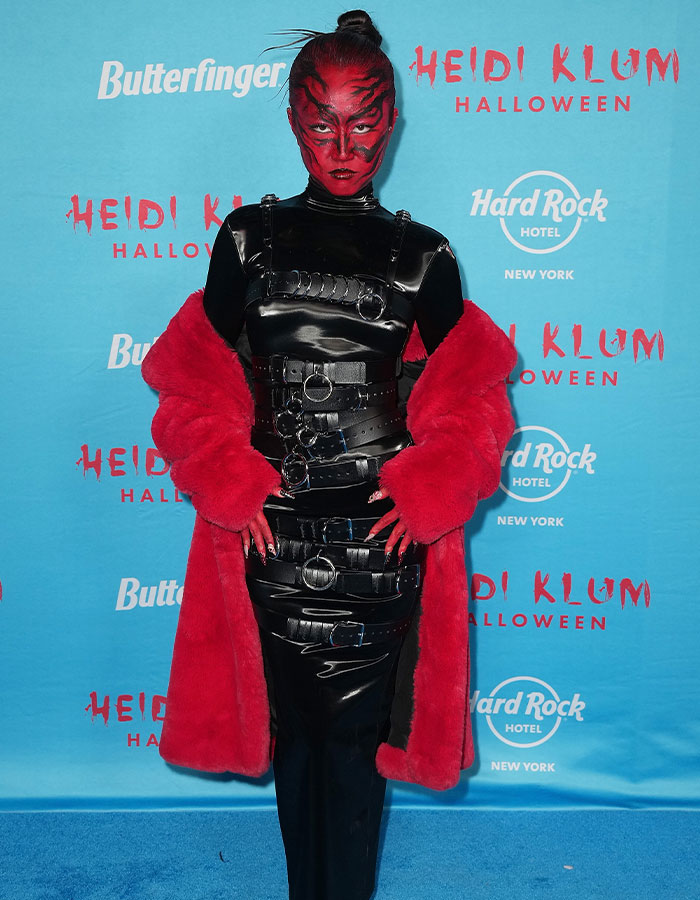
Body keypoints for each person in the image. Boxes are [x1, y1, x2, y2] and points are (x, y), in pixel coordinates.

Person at [141, 10, 517, 900]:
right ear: (292, 122)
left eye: (363, 121)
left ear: (391, 123)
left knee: (351, 758)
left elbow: (473, 399)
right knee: (296, 747)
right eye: (322, 123)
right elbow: (192, 385)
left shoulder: (424, 256)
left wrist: (431, 489)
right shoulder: (246, 238)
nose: (344, 146)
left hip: (377, 554)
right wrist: (231, 483)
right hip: (268, 547)